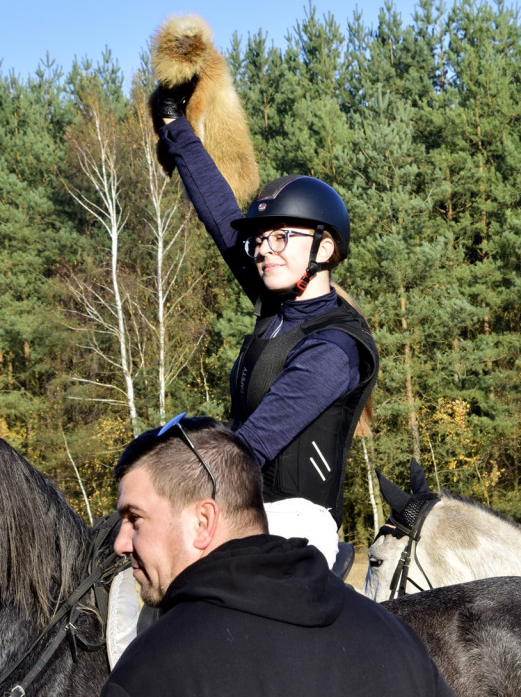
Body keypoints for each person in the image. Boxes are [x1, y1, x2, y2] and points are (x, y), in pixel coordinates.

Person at [151, 83, 379, 567]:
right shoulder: (275, 305)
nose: (264, 249)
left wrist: (167, 475)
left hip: (294, 531)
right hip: (246, 510)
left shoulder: (335, 348)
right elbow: (220, 215)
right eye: (260, 240)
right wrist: (175, 125)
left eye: (282, 237)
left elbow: (252, 445)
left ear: (324, 248)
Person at [101, 416, 451, 697]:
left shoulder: (148, 674)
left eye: (135, 519)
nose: (121, 543)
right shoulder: (397, 642)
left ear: (203, 522)